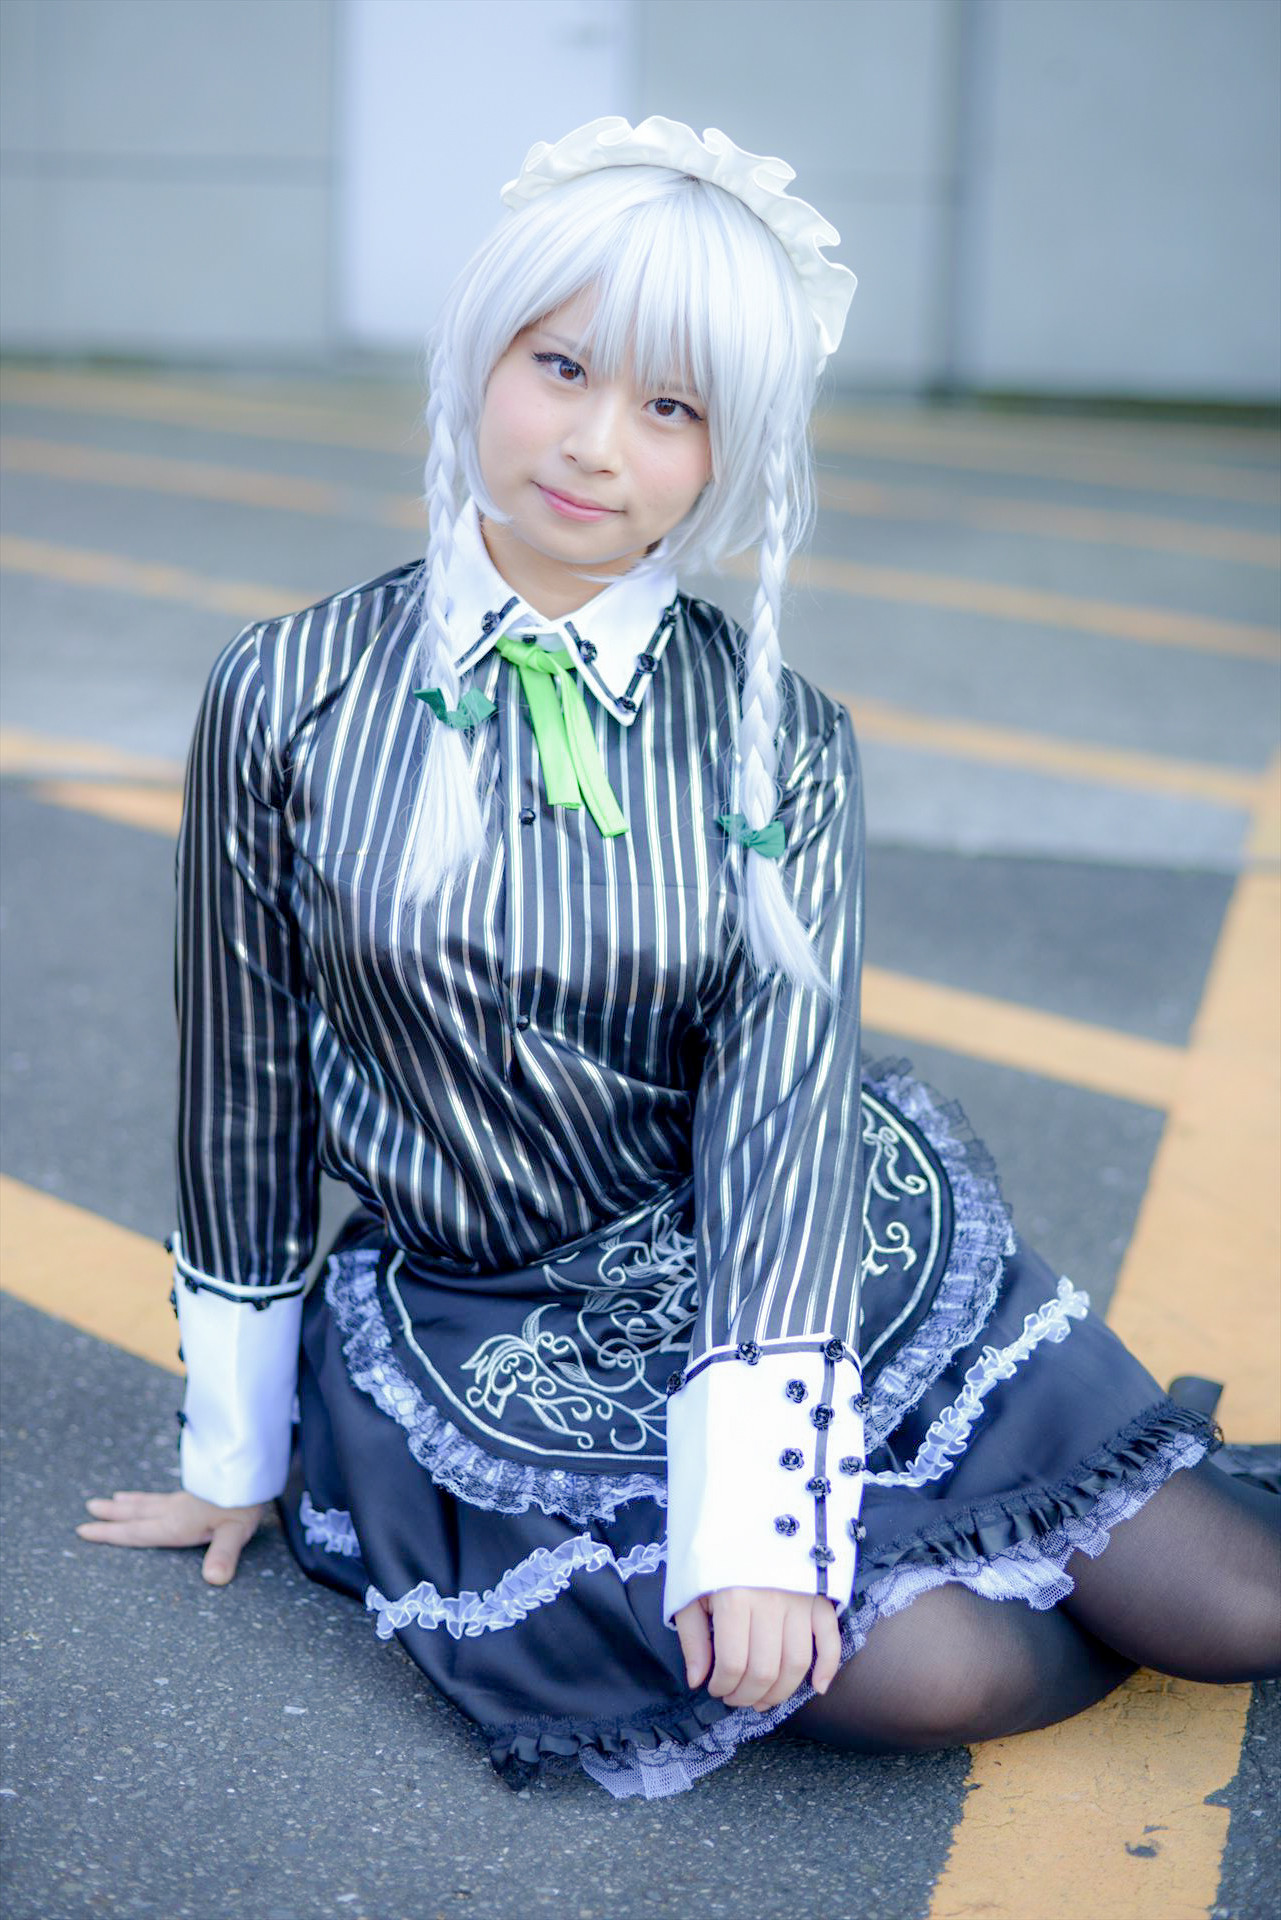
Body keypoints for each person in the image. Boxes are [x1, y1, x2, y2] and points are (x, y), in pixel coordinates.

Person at [77, 117, 1280, 1800]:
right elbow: (244, 1079)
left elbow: (779, 1124)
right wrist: (232, 1448)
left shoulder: (781, 732)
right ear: (479, 352)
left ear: (734, 451)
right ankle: (987, 1538)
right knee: (932, 1673)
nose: (595, 446)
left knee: (1233, 1610)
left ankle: (1002, 1516)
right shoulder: (286, 688)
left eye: (673, 406)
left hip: (775, 1258)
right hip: (494, 1322)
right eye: (561, 366)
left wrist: (755, 1520)